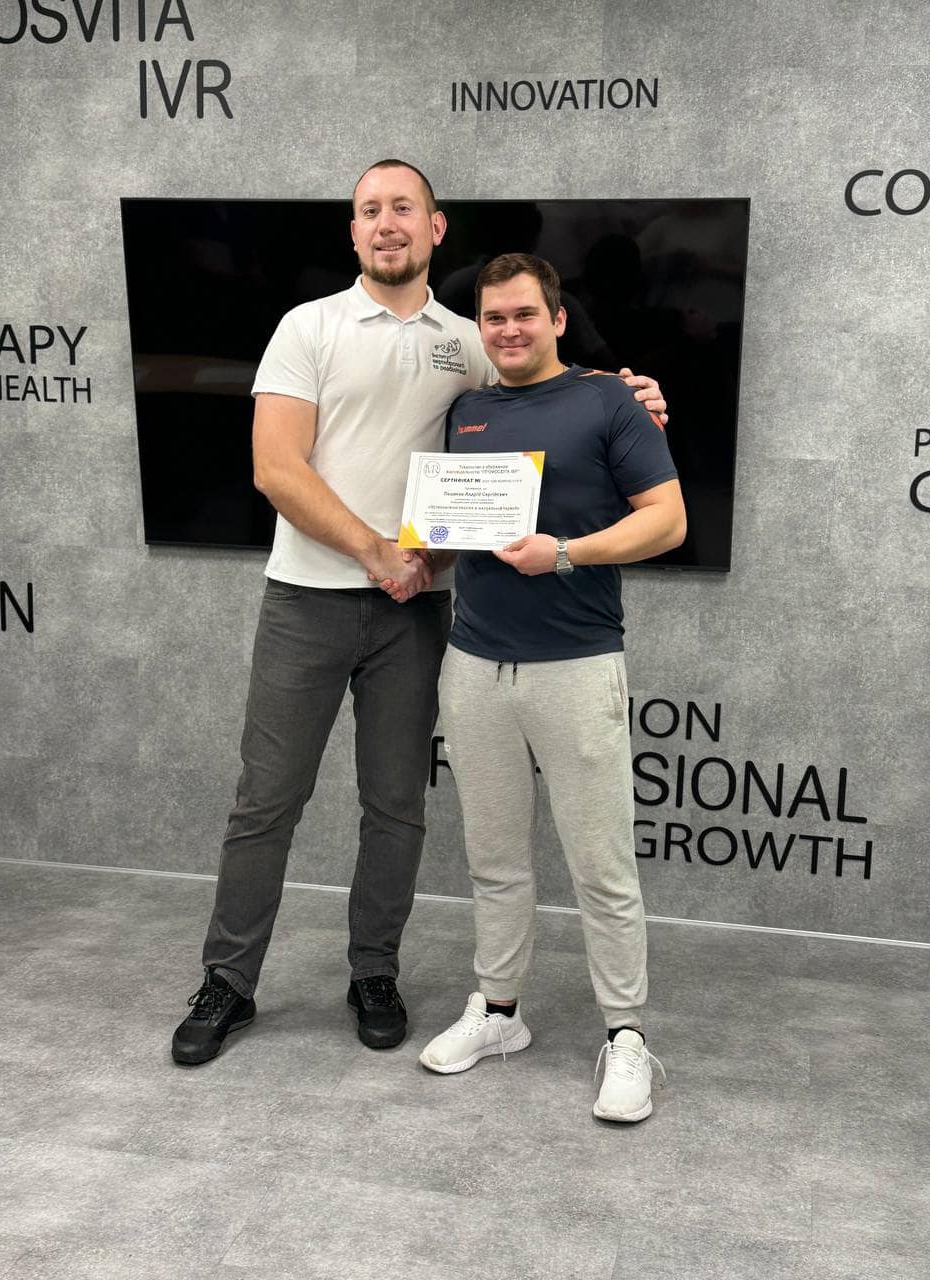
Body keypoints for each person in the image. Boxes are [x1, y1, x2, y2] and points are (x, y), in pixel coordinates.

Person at [171, 163, 668, 1065]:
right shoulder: (308, 326)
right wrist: (374, 552)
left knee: (397, 805)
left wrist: (633, 394)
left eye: (403, 208)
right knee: (266, 800)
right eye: (370, 210)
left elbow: (545, 379)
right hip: (310, 598)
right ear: (353, 232)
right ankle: (228, 981)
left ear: (436, 228)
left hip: (418, 609)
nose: (386, 222)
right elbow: (275, 468)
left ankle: (374, 973)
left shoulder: (469, 338)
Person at [417, 253, 685, 1123]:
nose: (509, 330)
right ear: (481, 326)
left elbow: (667, 520)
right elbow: (457, 528)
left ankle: (627, 1036)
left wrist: (565, 552)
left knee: (601, 865)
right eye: (494, 318)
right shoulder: (467, 411)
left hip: (575, 664)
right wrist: (421, 546)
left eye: (525, 314)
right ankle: (499, 1013)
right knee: (494, 858)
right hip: (474, 664)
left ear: (558, 319)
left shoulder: (609, 401)